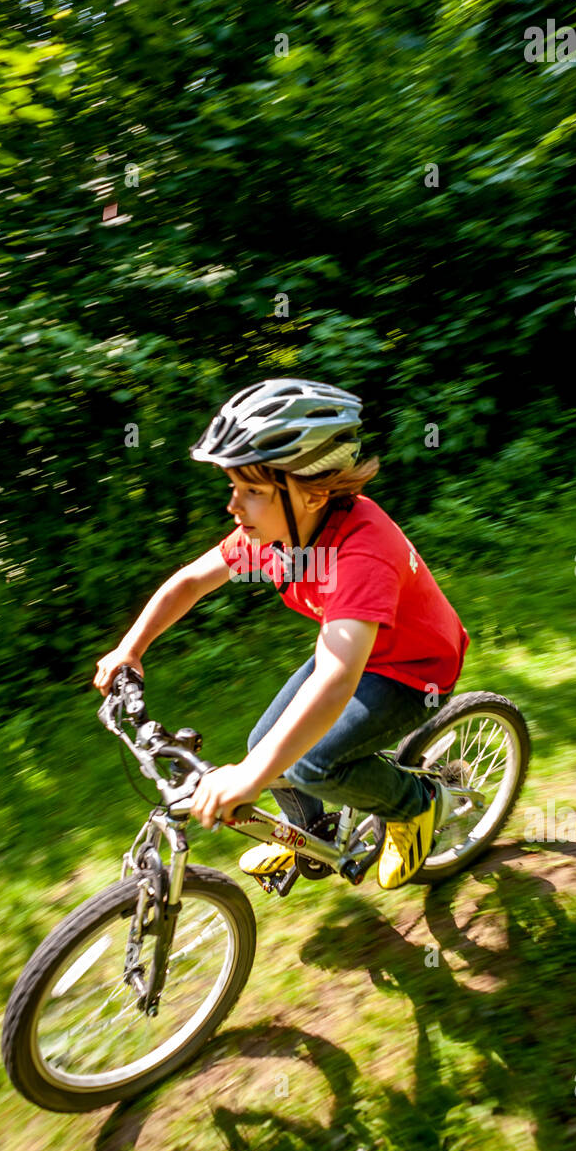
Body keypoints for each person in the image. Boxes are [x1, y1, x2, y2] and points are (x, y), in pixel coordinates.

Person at [94, 378, 470, 889]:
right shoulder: (278, 536)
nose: (233, 505)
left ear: (313, 494)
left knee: (312, 763)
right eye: (233, 486)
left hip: (412, 670)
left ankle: (416, 805)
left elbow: (335, 683)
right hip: (356, 653)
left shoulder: (363, 550)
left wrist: (248, 778)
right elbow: (190, 582)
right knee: (263, 742)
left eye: (252, 491)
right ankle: (308, 831)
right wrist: (130, 649)